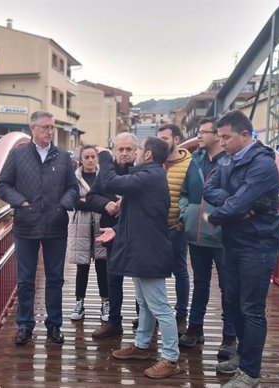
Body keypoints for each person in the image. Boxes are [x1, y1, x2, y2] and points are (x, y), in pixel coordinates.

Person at [202, 110, 279, 388]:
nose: (221, 143)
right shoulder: (226, 160)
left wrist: (217, 215)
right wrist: (235, 204)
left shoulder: (263, 165)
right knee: (233, 304)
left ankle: (250, 373)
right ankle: (242, 358)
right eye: (220, 137)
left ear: (245, 135)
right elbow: (208, 189)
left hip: (257, 244)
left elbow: (236, 205)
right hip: (233, 241)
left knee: (251, 308)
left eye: (226, 137)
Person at [96, 137, 181, 380]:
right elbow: (138, 215)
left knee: (160, 307)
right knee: (144, 303)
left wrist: (104, 156)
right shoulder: (148, 175)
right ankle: (141, 346)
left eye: (140, 148)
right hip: (142, 249)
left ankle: (171, 358)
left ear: (148, 155)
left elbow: (111, 180)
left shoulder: (150, 175)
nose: (137, 152)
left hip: (149, 251)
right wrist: (117, 231)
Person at [0, 110, 78, 345]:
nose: (50, 132)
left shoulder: (62, 156)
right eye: (45, 127)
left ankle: (54, 325)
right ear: (33, 129)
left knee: (55, 278)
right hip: (26, 225)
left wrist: (63, 206)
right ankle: (25, 325)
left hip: (56, 225)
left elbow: (73, 187)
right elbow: (2, 184)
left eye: (52, 127)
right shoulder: (18, 154)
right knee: (25, 279)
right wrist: (21, 202)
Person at [177, 117, 237, 359]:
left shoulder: (231, 163)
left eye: (204, 132)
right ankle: (195, 328)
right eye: (198, 132)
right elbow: (183, 192)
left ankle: (229, 337)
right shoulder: (196, 160)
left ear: (217, 136)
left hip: (223, 236)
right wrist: (185, 213)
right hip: (196, 233)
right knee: (200, 283)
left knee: (228, 287)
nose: (199, 136)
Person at [86, 133, 136, 339]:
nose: (124, 154)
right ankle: (114, 321)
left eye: (128, 150)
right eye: (120, 149)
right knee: (113, 278)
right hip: (111, 232)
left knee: (141, 280)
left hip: (136, 232)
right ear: (115, 151)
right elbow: (91, 196)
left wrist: (125, 202)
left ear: (136, 150)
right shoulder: (108, 171)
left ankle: (145, 320)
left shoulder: (141, 170)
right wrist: (105, 204)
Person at [66, 145, 109, 322]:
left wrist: (86, 200)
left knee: (102, 265)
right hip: (80, 226)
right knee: (81, 267)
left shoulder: (105, 175)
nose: (90, 160)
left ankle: (105, 303)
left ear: (97, 158)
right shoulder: (74, 177)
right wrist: (95, 201)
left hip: (101, 224)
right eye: (87, 157)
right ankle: (79, 302)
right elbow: (74, 202)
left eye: (93, 156)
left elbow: (109, 198)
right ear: (80, 159)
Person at [156, 123, 192, 334]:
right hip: (154, 228)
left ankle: (181, 315)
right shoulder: (154, 162)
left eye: (165, 138)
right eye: (158, 138)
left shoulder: (189, 164)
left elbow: (195, 194)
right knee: (152, 271)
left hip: (177, 227)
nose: (161, 142)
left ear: (177, 139)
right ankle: (152, 313)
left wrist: (184, 221)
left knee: (180, 271)